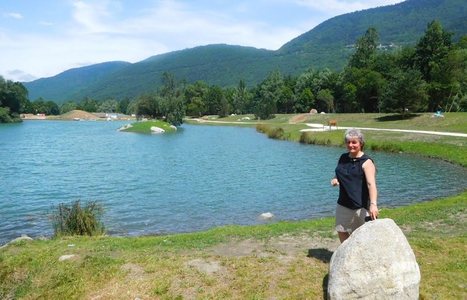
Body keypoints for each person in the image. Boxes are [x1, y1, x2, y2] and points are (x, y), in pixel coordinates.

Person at [331, 128, 378, 243]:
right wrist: (336, 179)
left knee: (365, 235)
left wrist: (373, 204)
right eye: (348, 142)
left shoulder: (366, 162)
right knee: (341, 230)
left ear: (360, 143)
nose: (350, 145)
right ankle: (347, 254)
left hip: (360, 206)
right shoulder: (343, 158)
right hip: (343, 203)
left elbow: (371, 184)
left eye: (354, 142)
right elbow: (340, 172)